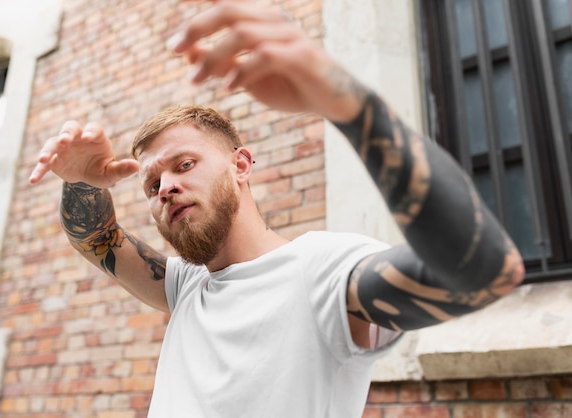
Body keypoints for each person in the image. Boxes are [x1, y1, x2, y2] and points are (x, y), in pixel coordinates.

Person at [28, 1, 525, 417]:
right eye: (153, 182)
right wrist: (77, 179)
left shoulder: (324, 275)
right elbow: (98, 240)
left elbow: (481, 271)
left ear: (241, 165)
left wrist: (346, 102)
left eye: (184, 164)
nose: (165, 188)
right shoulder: (185, 286)